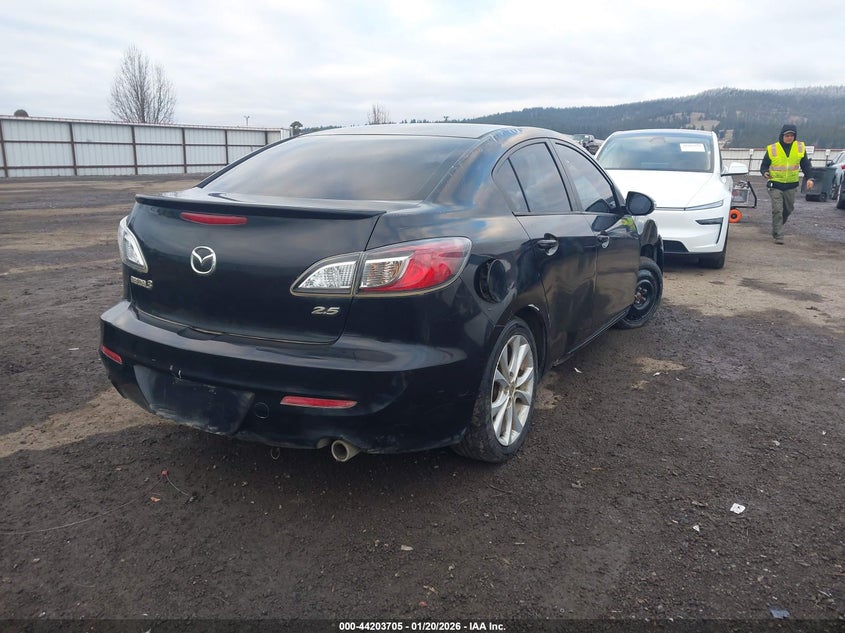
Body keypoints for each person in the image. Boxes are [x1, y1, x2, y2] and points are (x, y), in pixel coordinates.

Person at [760, 124, 814, 244]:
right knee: (777, 210)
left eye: (792, 135)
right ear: (782, 136)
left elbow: (805, 165)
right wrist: (765, 172)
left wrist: (810, 178)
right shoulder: (773, 148)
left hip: (791, 185)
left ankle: (777, 225)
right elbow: (764, 165)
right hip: (775, 184)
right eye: (787, 135)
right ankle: (778, 235)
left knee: (788, 209)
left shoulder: (800, 148)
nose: (789, 138)